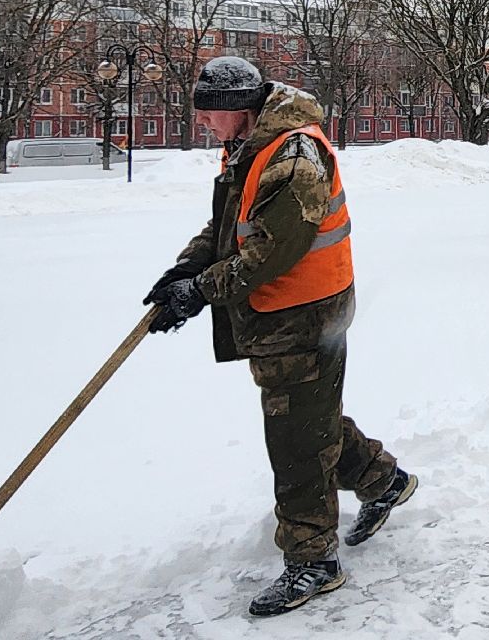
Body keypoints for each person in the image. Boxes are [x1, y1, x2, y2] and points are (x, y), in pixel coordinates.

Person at [144, 57, 417, 617]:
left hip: (306, 313)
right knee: (305, 419)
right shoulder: (249, 144)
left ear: (238, 109)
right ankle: (381, 479)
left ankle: (314, 561)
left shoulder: (294, 156)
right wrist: (186, 269)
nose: (201, 120)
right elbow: (230, 226)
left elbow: (270, 250)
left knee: (295, 439)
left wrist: (201, 291)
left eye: (208, 111)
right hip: (279, 313)